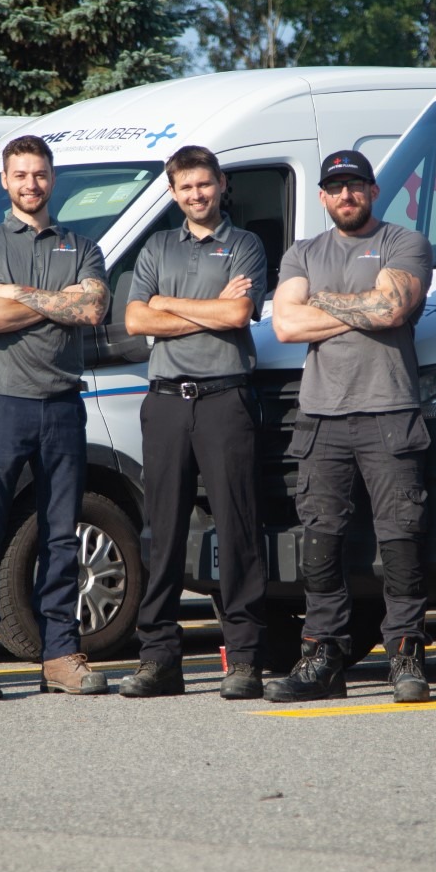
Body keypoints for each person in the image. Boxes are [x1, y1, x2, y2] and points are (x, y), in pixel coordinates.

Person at [267, 150, 434, 704]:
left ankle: (405, 655)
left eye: (356, 185)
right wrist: (361, 307)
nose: (346, 195)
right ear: (322, 196)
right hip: (321, 418)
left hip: (390, 412)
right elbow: (285, 325)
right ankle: (323, 656)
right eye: (335, 187)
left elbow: (390, 310)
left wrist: (319, 302)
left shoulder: (403, 242)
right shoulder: (302, 252)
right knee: (321, 542)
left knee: (401, 538)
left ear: (373, 190)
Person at [0, 135, 111, 699]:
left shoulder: (82, 246)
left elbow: (93, 307)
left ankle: (61, 654)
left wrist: (16, 294)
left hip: (63, 404)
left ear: (52, 178)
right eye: (20, 175)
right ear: (5, 180)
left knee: (61, 536)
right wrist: (56, 301)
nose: (31, 184)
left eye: (39, 174)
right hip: (2, 404)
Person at [117, 146, 268, 700]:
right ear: (173, 191)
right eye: (186, 187)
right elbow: (135, 318)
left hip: (225, 399)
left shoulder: (245, 244)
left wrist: (167, 303)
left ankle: (244, 659)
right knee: (162, 533)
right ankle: (159, 658)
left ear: (221, 184)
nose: (196, 194)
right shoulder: (158, 246)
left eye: (204, 184)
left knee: (237, 529)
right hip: (165, 402)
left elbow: (237, 314)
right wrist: (201, 308)